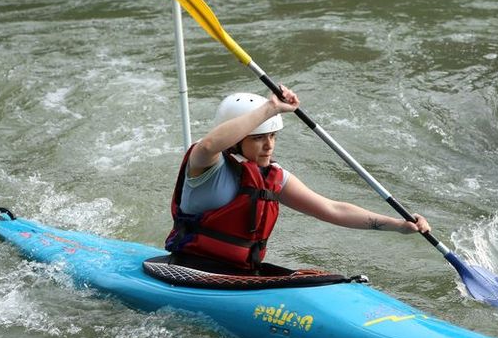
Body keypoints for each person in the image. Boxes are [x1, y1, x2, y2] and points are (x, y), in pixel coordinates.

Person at [165, 86, 430, 271]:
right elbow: (211, 143)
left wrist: (397, 225)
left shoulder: (271, 179)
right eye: (258, 138)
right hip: (190, 269)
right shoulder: (204, 165)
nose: (268, 146)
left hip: (239, 274)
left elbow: (333, 210)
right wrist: (271, 107)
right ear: (235, 141)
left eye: (272, 136)